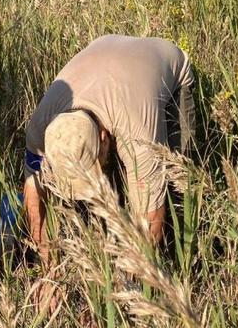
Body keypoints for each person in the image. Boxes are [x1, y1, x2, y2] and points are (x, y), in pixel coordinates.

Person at [23, 35, 195, 266]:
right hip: (105, 54)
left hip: (165, 70)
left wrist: (128, 280)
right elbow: (34, 190)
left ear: (104, 138)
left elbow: (151, 218)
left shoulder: (137, 131)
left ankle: (179, 261)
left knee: (174, 187)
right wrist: (46, 262)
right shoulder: (41, 128)